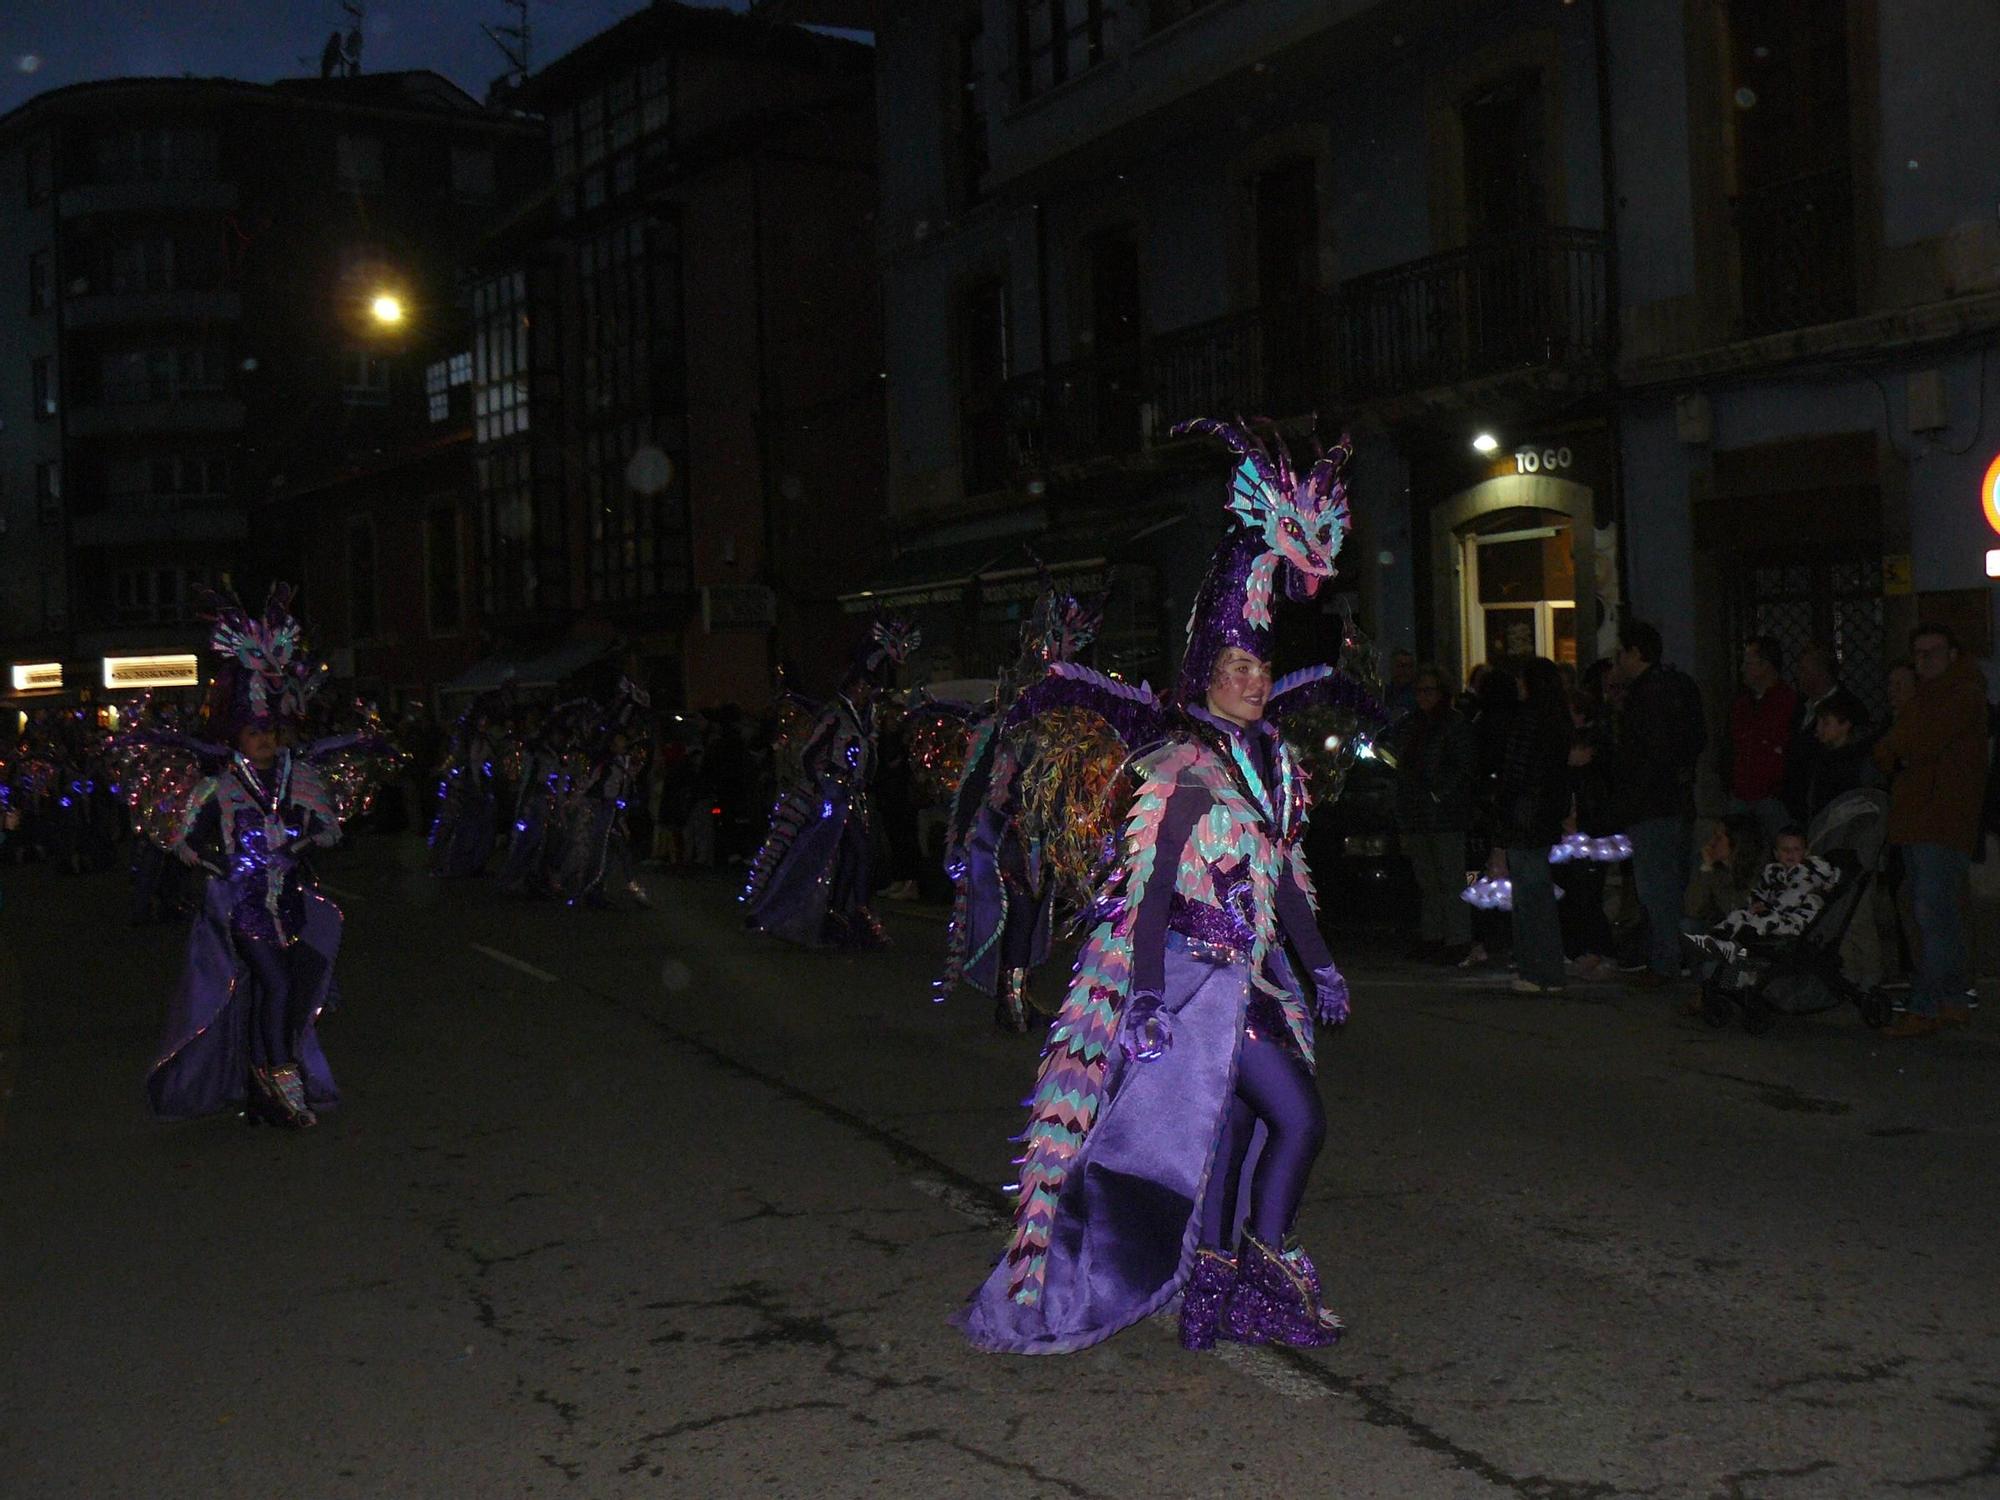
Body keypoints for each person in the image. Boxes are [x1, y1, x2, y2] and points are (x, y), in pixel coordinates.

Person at [955, 416, 1359, 1355]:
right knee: (1299, 1120)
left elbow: (1285, 883)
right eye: (1235, 668)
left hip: (1256, 985)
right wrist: (1141, 994)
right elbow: (1143, 897)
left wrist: (1323, 965)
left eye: (1260, 667)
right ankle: (1265, 1266)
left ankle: (1213, 1289)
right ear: (1206, 678)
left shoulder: (1273, 766)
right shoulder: (1182, 768)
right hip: (1197, 987)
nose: (1253, 680)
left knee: (1229, 1137)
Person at [146, 585, 352, 1129]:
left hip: (288, 901)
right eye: (255, 731)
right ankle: (281, 1082)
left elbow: (331, 829)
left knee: (279, 989)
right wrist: (210, 865)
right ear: (236, 734)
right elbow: (176, 835)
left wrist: (301, 844)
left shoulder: (299, 776)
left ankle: (263, 1085)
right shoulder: (218, 786)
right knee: (277, 985)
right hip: (243, 904)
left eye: (271, 731)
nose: (265, 740)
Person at [743, 623, 918, 948]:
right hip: (833, 795)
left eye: (869, 686)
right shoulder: (836, 715)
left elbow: (872, 759)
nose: (865, 691)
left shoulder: (865, 720)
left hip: (854, 795)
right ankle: (846, 913)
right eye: (862, 685)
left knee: (855, 856)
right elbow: (810, 754)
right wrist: (822, 787)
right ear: (851, 686)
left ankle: (841, 914)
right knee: (838, 855)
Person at [1871, 623, 1989, 1038]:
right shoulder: (1931, 696)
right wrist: (1899, 752)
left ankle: (1924, 1005)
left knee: (1932, 914)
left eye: (1932, 653)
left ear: (1952, 654)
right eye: (1917, 653)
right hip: (1919, 819)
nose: (1923, 661)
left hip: (1940, 820)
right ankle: (1952, 1000)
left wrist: (1901, 753)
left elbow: (1917, 741)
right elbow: (1893, 746)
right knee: (1936, 915)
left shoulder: (1962, 695)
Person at [1612, 620, 1704, 989]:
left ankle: (1666, 961)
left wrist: (1632, 796)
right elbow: (1696, 738)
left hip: (1651, 804)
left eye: (1621, 653)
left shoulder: (1646, 695)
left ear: (1636, 653)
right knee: (1674, 885)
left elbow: (1648, 754)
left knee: (1657, 888)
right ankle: (1678, 957)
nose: (1617, 660)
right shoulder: (1679, 686)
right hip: (1677, 800)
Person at [1486, 658, 1574, 995]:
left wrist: (1503, 813)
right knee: (1538, 894)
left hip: (1525, 815)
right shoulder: (1557, 719)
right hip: (1544, 814)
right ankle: (1546, 970)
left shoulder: (1529, 720)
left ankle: (1537, 971)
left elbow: (1517, 774)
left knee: (1529, 896)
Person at [1390, 665, 1474, 963]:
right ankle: (1433, 935)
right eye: (1420, 691)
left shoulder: (1453, 724)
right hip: (1417, 812)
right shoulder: (1411, 725)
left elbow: (1463, 767)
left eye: (1430, 690)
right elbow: (1401, 767)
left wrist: (1438, 794)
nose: (1424, 696)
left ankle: (1457, 938)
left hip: (1443, 813)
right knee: (1427, 879)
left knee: (1450, 878)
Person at [1688, 825, 1839, 962]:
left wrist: (1766, 908)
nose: (1790, 854)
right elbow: (1759, 892)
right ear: (1777, 853)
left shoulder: (1809, 873)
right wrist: (1755, 904)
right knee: (1740, 918)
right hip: (1770, 917)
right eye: (1784, 850)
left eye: (1796, 849)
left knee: (1752, 930)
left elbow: (1793, 896)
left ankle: (1728, 949)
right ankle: (1718, 940)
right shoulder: (1774, 872)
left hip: (1794, 921)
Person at [1724, 635, 1798, 841]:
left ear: (1766, 666)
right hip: (1742, 794)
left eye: (1748, 663)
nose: (1743, 669)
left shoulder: (1788, 703)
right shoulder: (1742, 705)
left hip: (1773, 797)